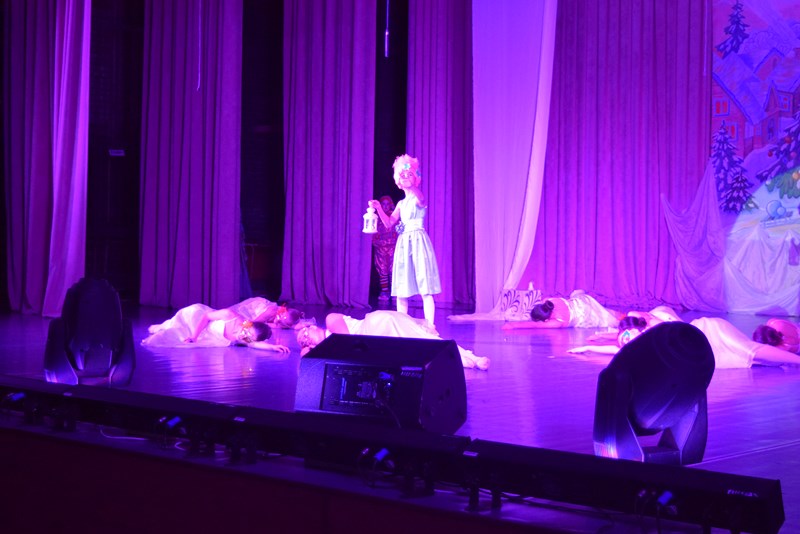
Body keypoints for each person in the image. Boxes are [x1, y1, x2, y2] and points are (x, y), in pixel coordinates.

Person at [568, 307, 799, 368]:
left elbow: (621, 345)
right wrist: (587, 349)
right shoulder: (641, 340)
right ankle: (788, 352)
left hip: (708, 331)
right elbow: (618, 351)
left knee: (747, 351)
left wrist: (606, 338)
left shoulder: (652, 323)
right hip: (701, 346)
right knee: (750, 359)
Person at [368, 154, 441, 327]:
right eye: (403, 176)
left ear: (415, 178)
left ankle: (430, 326)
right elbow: (389, 223)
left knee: (425, 285)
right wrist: (378, 208)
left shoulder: (417, 198)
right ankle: (403, 327)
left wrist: (412, 184)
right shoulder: (401, 204)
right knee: (402, 286)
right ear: (398, 181)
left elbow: (421, 199)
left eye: (410, 175)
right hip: (404, 243)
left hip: (418, 241)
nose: (406, 178)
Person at [296, 310, 489, 370]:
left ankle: (472, 357)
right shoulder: (329, 350)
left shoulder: (330, 320)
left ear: (312, 326)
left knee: (424, 338)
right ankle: (463, 360)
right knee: (421, 348)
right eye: (304, 341)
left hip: (375, 327)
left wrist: (318, 350)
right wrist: (309, 350)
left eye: (305, 332)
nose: (306, 337)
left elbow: (349, 341)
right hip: (377, 345)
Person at [142, 296, 289, 352]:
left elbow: (254, 344)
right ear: (248, 324)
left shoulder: (246, 337)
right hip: (197, 320)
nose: (244, 337)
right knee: (174, 328)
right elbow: (206, 317)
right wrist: (194, 337)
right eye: (247, 332)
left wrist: (273, 347)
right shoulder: (230, 316)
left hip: (208, 335)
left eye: (249, 338)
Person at [501, 290, 623, 329]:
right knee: (604, 312)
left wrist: (513, 325)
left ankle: (623, 317)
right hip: (583, 301)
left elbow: (535, 325)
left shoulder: (557, 322)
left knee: (607, 319)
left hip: (586, 315)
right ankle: (620, 314)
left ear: (544, 320)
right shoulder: (549, 301)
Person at [372, 195, 398, 302]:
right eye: (383, 204)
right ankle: (385, 291)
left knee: (393, 270)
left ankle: (394, 292)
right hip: (380, 248)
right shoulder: (376, 218)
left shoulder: (395, 217)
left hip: (393, 248)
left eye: (388, 204)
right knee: (383, 269)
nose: (386, 206)